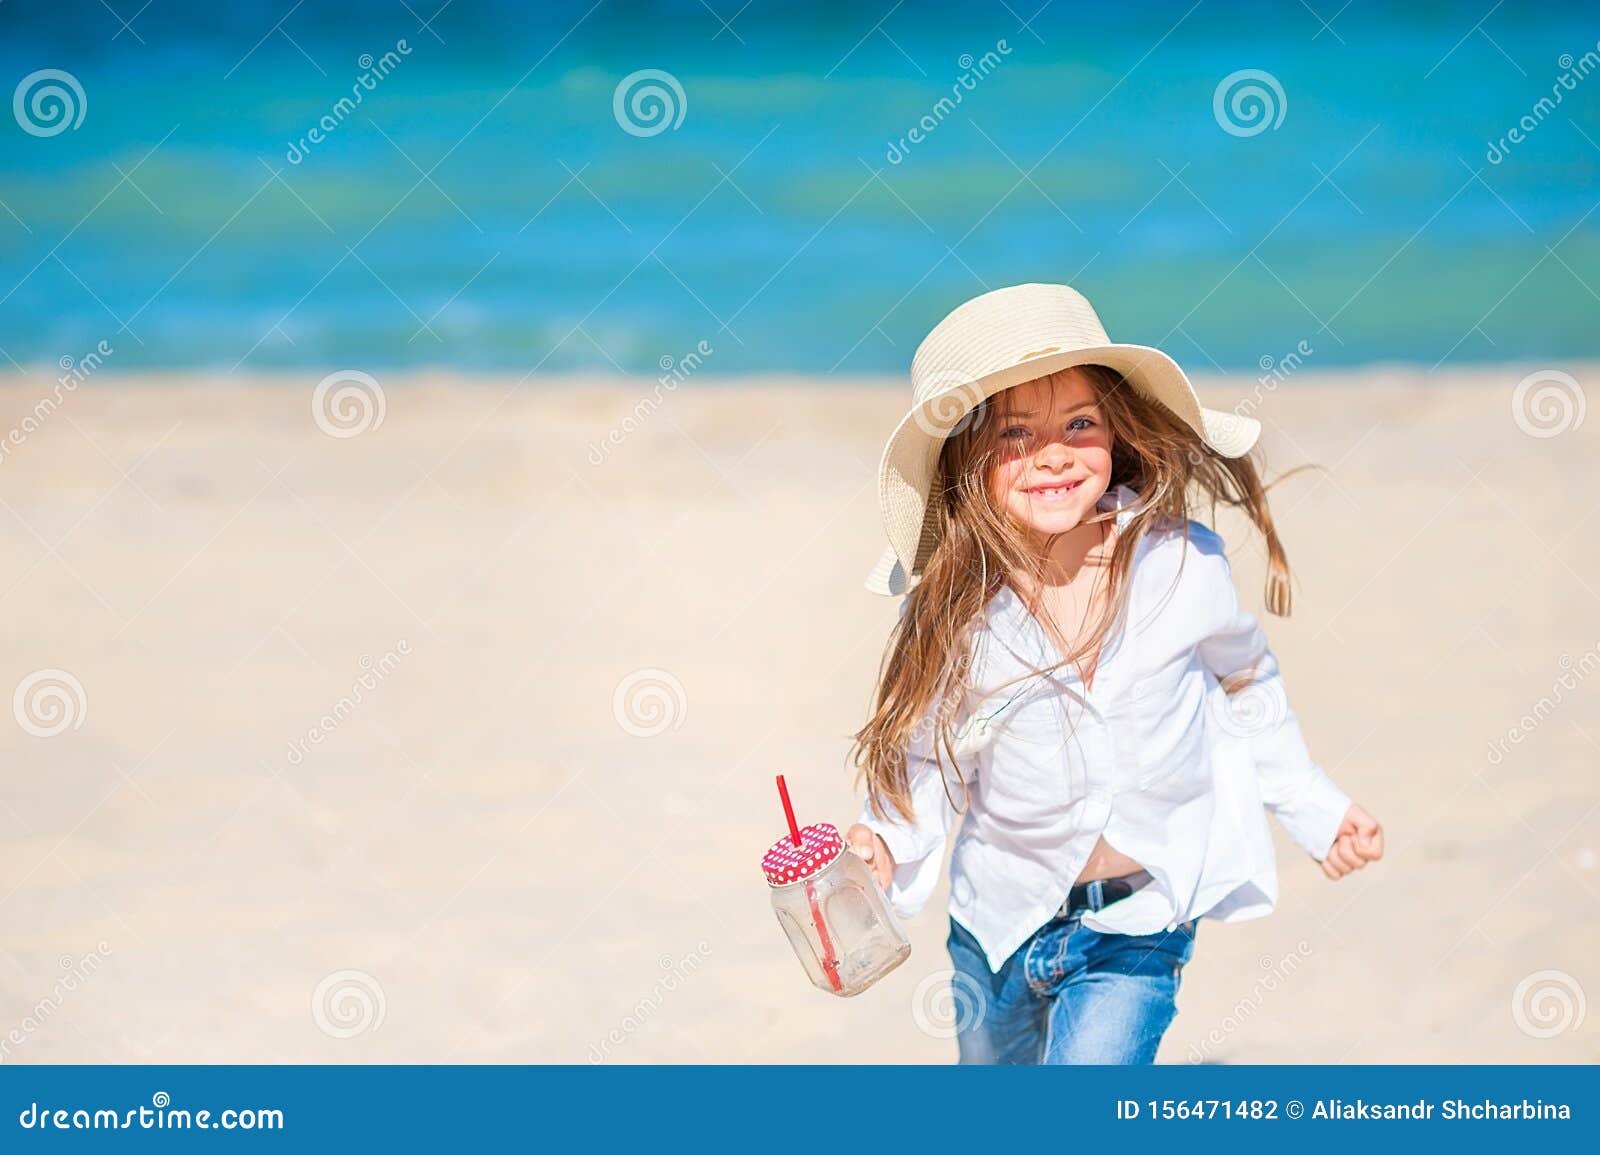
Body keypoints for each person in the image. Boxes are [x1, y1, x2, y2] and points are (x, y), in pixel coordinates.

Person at [847, 283, 1383, 1064]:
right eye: (1014, 434)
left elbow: (1246, 681)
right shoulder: (954, 610)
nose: (1054, 452)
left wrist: (1313, 804)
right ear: (966, 459)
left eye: (1079, 423)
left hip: (1139, 925)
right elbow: (924, 749)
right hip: (999, 921)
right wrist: (885, 844)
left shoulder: (1180, 563)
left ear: (1116, 431)